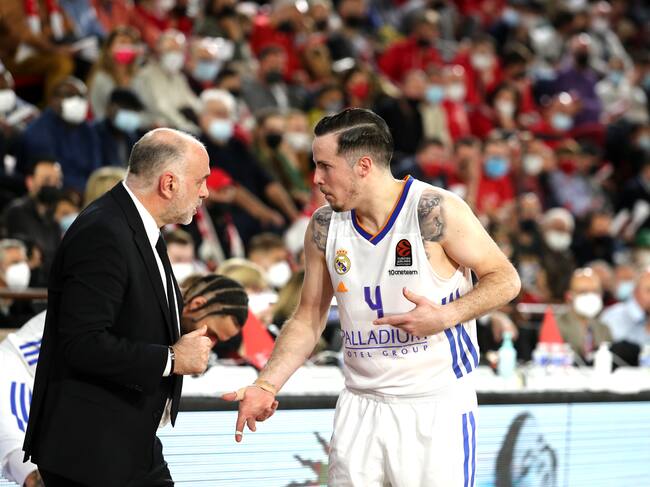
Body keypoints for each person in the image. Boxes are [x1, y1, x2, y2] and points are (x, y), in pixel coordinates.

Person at [223, 108, 521, 486]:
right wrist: (267, 384)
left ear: (363, 165)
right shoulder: (324, 225)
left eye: (325, 167)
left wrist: (446, 316)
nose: (316, 179)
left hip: (433, 405)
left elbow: (505, 279)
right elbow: (308, 316)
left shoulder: (433, 209)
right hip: (359, 406)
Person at [22, 128, 214, 486]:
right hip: (91, 452)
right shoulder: (104, 231)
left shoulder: (136, 226)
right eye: (201, 180)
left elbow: (131, 316)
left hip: (129, 441)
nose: (205, 191)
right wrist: (172, 359)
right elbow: (82, 342)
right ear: (169, 183)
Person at [1, 273, 248, 487]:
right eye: (212, 333)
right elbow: (98, 351)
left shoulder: (168, 311)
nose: (210, 343)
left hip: (71, 392)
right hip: (22, 370)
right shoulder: (147, 300)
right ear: (197, 304)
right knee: (33, 472)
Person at [556, 267, 612, 365]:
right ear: (569, 296)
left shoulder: (604, 329)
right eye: (583, 292)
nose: (590, 296)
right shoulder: (557, 325)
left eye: (595, 291)